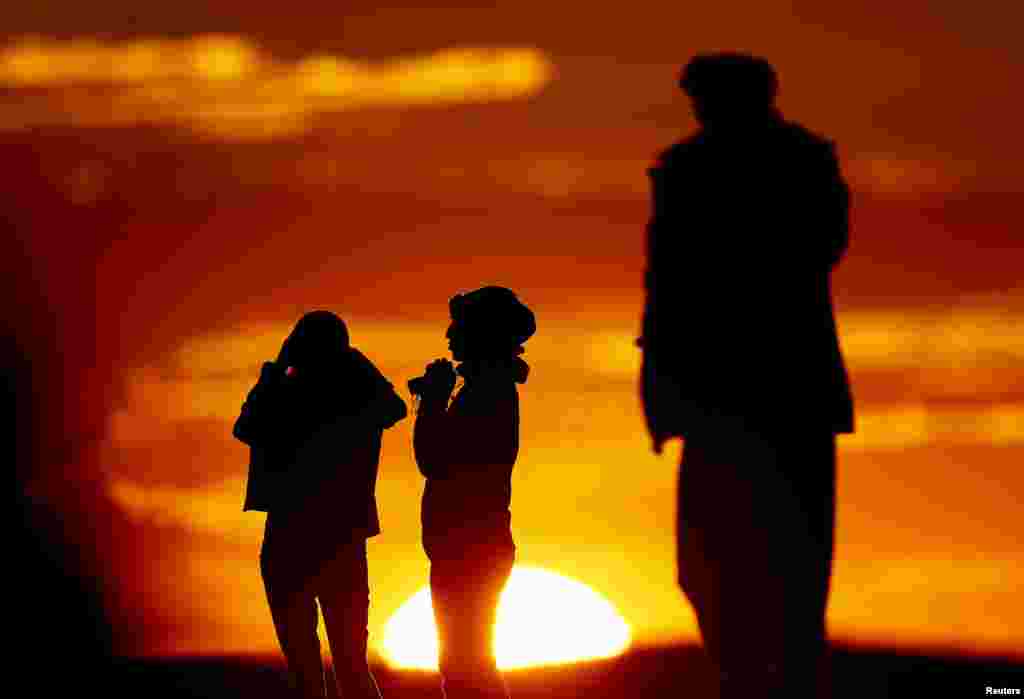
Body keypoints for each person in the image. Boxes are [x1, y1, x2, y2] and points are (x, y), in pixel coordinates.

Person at [639, 53, 855, 698]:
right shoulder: (685, 167)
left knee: (792, 572)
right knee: (709, 570)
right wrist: (660, 388)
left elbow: (820, 247)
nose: (697, 106)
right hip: (720, 397)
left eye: (703, 95)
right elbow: (665, 285)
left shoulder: (796, 161)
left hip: (779, 397)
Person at [233, 310, 407, 699]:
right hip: (338, 540)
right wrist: (358, 363)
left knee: (308, 670)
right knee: (349, 666)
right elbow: (394, 406)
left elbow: (246, 427)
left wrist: (275, 370)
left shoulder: (283, 396)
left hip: (292, 538)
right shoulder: (359, 401)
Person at [410, 286, 536, 699]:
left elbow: (434, 460)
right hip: (472, 545)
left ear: (480, 334)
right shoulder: (489, 389)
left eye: (458, 327)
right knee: (469, 662)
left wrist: (431, 401)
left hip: (468, 549)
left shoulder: (486, 394)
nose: (449, 336)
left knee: (465, 665)